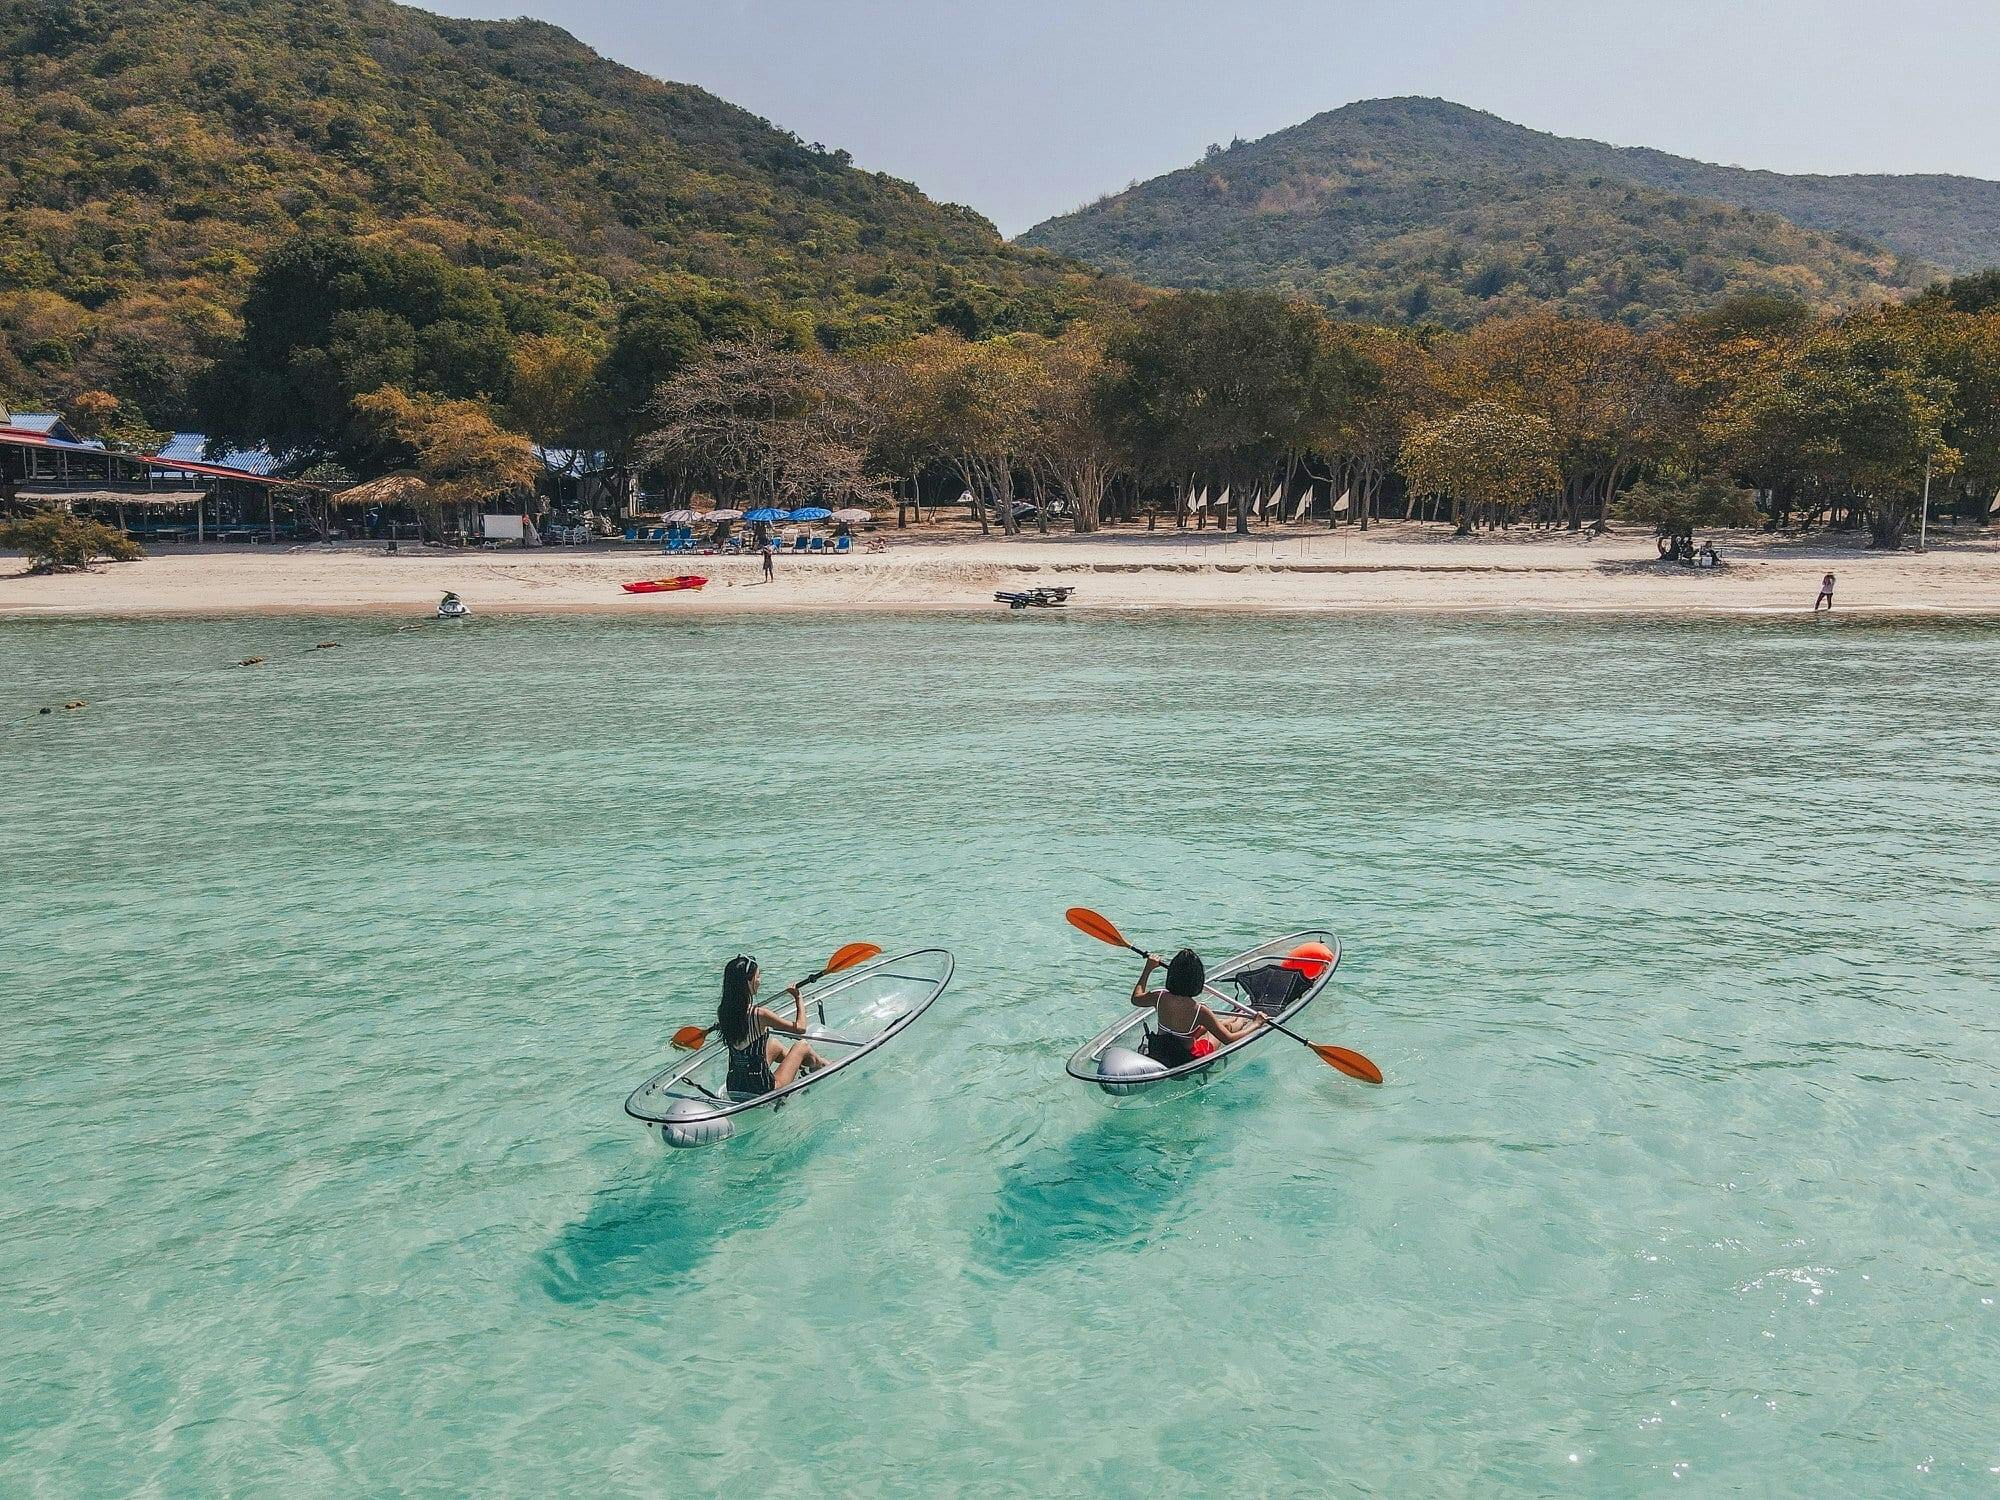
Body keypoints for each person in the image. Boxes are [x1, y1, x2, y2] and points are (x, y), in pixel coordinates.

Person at [1130, 948, 1262, 1067]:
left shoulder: (1158, 996)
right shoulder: (1199, 1010)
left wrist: (1148, 968)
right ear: (1198, 980)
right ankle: (1240, 1021)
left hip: (1160, 1048)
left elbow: (1136, 998)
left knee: (1212, 1025)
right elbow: (1228, 1040)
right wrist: (1256, 1024)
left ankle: (1230, 1019)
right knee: (1225, 1028)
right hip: (1185, 1058)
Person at [716, 955, 825, 1096]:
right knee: (802, 1046)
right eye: (758, 976)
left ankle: (804, 1066)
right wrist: (798, 998)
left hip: (735, 1087)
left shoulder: (724, 1011)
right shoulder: (759, 1014)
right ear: (748, 982)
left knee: (774, 1044)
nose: (759, 981)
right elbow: (800, 1028)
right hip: (762, 1089)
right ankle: (823, 1065)